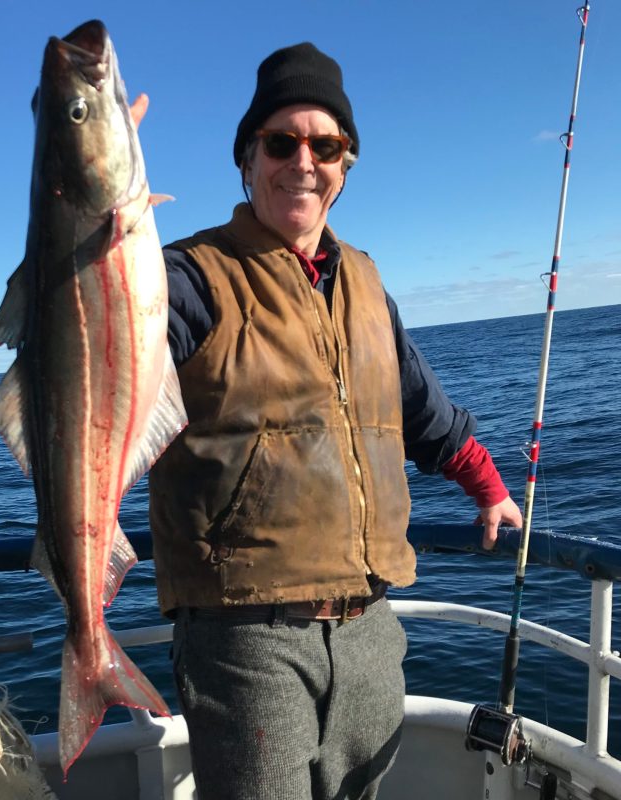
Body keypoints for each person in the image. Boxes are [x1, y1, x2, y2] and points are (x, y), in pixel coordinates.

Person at [147, 42, 523, 800]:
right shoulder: (186, 277)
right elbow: (105, 346)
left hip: (370, 624)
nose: (303, 162)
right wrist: (92, 208)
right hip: (244, 633)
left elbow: (420, 409)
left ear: (345, 165)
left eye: (325, 146)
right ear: (246, 159)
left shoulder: (366, 282)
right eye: (280, 142)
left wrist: (488, 488)